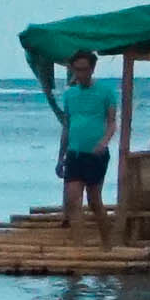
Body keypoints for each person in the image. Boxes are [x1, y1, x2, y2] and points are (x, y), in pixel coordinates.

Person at [44, 56, 120, 233]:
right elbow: (67, 127)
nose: (81, 74)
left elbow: (111, 123)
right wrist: (60, 157)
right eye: (77, 69)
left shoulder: (106, 92)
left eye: (84, 69)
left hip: (96, 154)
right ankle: (79, 246)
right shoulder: (70, 95)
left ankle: (107, 243)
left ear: (92, 69)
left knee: (94, 202)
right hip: (74, 153)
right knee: (72, 201)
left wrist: (104, 142)